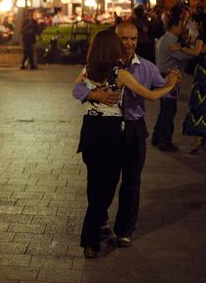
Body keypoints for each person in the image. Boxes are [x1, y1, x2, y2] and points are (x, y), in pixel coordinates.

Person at [74, 30, 178, 259]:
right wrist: (171, 83)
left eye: (133, 38)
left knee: (122, 182)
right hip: (113, 132)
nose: (128, 43)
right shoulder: (119, 72)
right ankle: (93, 232)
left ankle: (111, 233)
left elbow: (76, 86)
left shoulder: (89, 69)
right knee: (103, 188)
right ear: (114, 45)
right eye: (122, 40)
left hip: (96, 130)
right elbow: (152, 95)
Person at [153, 17, 197, 151]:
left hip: (162, 75)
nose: (181, 29)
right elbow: (182, 57)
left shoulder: (163, 39)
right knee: (169, 110)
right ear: (173, 26)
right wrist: (193, 51)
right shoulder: (170, 41)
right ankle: (164, 141)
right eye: (180, 26)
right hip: (169, 77)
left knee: (164, 109)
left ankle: (157, 137)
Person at [181, 37, 206, 154]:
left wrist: (182, 48)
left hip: (203, 75)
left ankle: (199, 138)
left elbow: (196, 52)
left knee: (200, 107)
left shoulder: (202, 37)